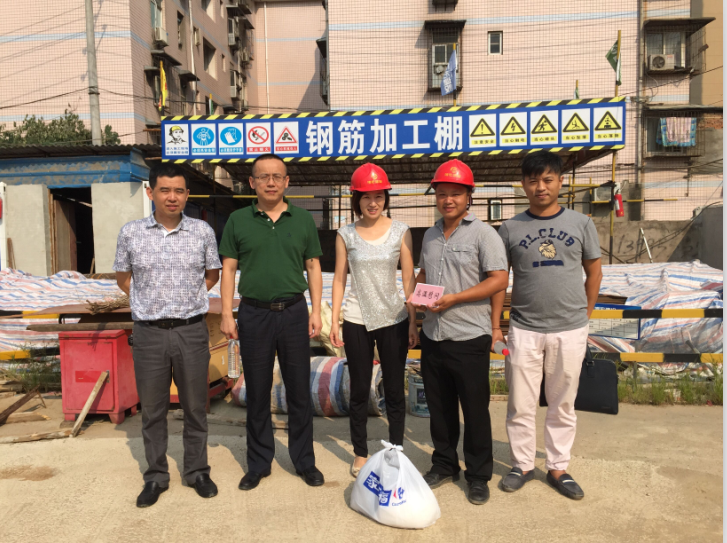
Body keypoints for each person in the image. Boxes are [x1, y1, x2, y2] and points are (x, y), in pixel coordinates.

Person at [491, 150, 603, 500]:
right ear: (523, 184)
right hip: (523, 329)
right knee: (520, 403)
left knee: (562, 403)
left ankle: (558, 467)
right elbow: (499, 279)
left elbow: (594, 272)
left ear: (560, 182)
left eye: (547, 179)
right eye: (533, 180)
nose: (540, 187)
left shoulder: (581, 224)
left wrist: (584, 314)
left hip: (570, 329)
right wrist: (496, 325)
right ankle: (522, 465)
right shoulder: (510, 228)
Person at [113, 163, 221, 508]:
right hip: (149, 334)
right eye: (164, 190)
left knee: (195, 406)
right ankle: (156, 476)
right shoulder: (131, 233)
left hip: (191, 331)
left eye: (178, 191)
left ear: (187, 195)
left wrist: (186, 299)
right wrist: (150, 301)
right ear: (151, 192)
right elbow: (123, 278)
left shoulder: (202, 231)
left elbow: (212, 274)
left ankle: (197, 471)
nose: (171, 197)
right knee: (153, 409)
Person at [218, 153, 325, 491]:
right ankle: (259, 463)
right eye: (263, 176)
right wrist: (226, 313)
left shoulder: (302, 219)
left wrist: (316, 311)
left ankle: (304, 461)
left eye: (277, 176)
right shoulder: (238, 220)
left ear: (287, 182)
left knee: (299, 390)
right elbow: (229, 269)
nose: (271, 182)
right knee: (257, 390)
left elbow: (313, 267)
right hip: (254, 314)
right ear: (252, 182)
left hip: (294, 312)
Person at [413, 159, 509, 506]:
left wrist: (455, 298)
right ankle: (444, 464)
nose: (448, 199)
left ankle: (479, 475)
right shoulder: (430, 235)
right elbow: (425, 274)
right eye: (442, 193)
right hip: (434, 334)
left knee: (475, 409)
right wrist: (417, 299)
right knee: (439, 408)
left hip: (469, 336)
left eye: (455, 193)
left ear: (469, 196)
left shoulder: (484, 234)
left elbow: (499, 278)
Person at [329, 163, 418, 477]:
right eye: (366, 196)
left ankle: (396, 449)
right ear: (356, 199)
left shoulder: (401, 231)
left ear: (386, 198)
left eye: (378, 196)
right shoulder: (346, 234)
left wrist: (412, 320)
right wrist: (335, 320)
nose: (372, 202)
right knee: (359, 389)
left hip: (394, 318)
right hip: (356, 319)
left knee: (394, 389)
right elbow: (339, 278)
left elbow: (408, 278)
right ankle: (360, 452)